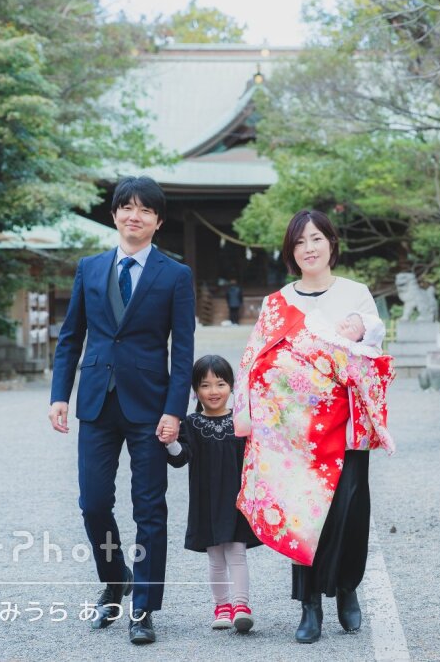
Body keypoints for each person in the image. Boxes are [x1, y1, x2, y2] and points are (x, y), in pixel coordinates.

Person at [232, 209, 396, 644]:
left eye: (317, 238)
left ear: (331, 243)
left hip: (344, 426)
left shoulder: (356, 293)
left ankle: (346, 587)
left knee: (349, 510)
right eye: (300, 241)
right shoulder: (276, 303)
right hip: (294, 432)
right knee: (303, 514)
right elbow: (256, 363)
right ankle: (309, 605)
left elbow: (370, 356)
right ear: (291, 250)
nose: (309, 247)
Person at [47, 175, 195, 645]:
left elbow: (183, 351)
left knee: (149, 508)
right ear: (114, 215)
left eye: (145, 210)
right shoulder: (90, 268)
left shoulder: (176, 275)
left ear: (158, 221)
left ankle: (143, 607)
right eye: (127, 208)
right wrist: (59, 396)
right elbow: (71, 336)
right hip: (95, 402)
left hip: (150, 407)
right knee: (93, 503)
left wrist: (175, 410)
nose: (135, 216)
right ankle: (115, 578)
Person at [159, 355, 262, 633]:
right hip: (206, 500)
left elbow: (257, 457)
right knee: (216, 556)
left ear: (232, 387)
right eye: (205, 385)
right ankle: (222, 607)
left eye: (220, 384)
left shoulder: (242, 421)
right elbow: (181, 458)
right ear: (195, 390)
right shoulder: (191, 424)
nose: (213, 391)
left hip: (237, 499)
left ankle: (242, 606)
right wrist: (170, 443)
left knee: (237, 552)